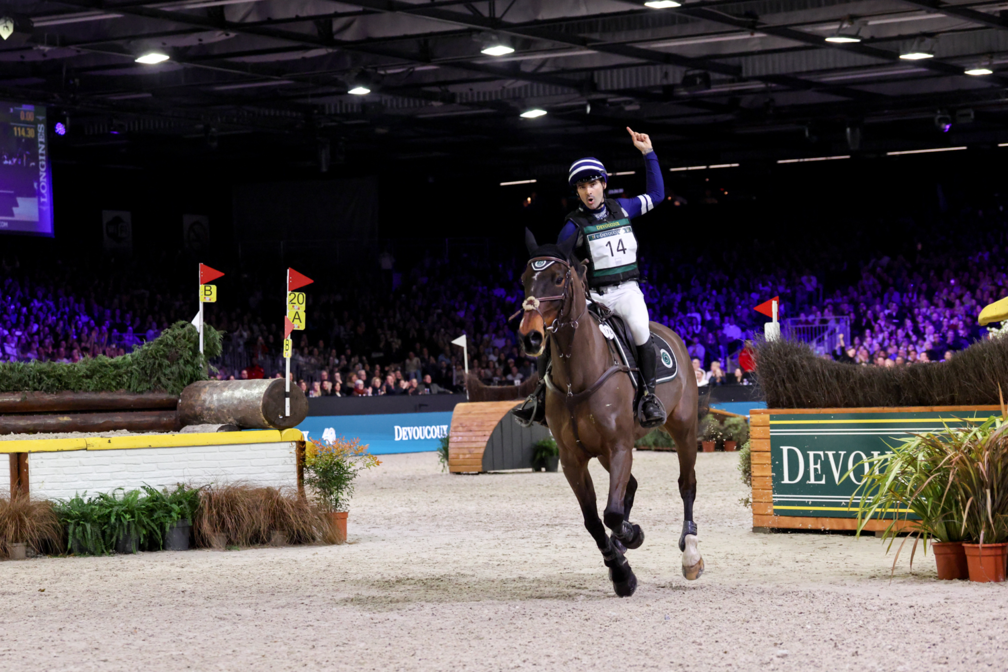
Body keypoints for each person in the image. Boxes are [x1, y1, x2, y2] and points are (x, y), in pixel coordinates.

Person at [515, 127, 667, 428]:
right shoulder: (573, 225)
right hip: (595, 296)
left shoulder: (623, 208)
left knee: (639, 328)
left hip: (626, 292)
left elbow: (658, 195)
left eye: (593, 184)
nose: (588, 191)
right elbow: (560, 261)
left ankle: (649, 396)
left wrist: (648, 154)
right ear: (578, 192)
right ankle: (539, 396)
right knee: (558, 334)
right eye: (582, 187)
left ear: (603, 184)